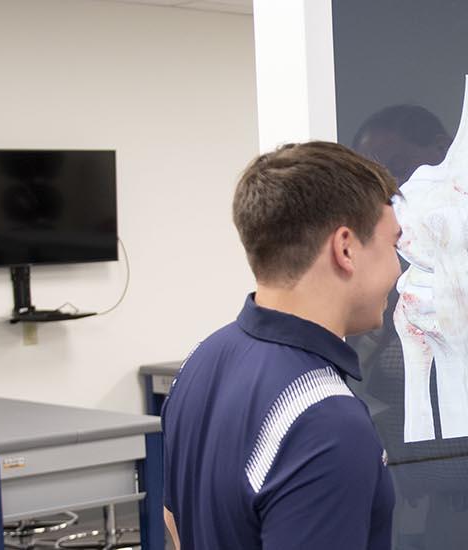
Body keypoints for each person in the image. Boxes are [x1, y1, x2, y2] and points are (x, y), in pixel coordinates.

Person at [160, 141, 402, 549]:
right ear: (345, 248)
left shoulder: (201, 359)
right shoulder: (327, 420)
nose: (398, 268)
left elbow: (175, 521)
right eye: (394, 245)